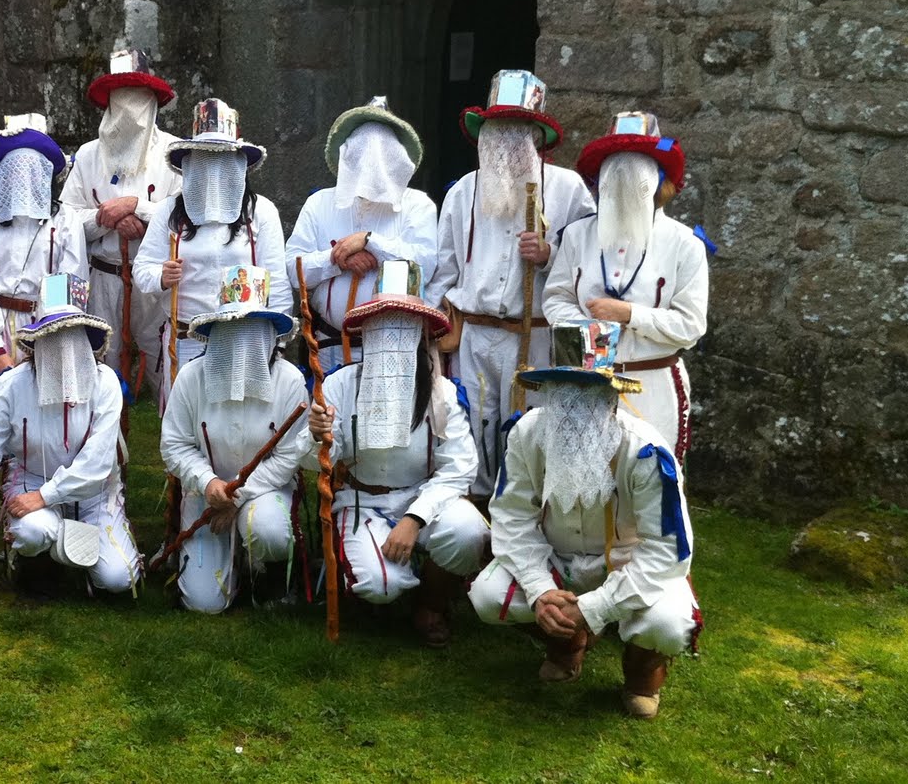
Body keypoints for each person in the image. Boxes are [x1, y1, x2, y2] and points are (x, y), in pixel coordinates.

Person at [469, 320, 700, 718]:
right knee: (488, 597)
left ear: (612, 397)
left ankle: (643, 673)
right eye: (565, 389)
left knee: (667, 623)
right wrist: (541, 589)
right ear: (548, 391)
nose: (575, 405)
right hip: (557, 560)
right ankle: (566, 642)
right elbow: (511, 516)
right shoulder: (527, 433)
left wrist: (597, 606)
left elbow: (667, 550)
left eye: (590, 390)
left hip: (629, 565)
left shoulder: (645, 451)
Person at [426, 71, 594, 496]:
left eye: (516, 130)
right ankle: (474, 523)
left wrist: (550, 255)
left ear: (535, 136)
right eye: (497, 128)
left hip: (535, 335)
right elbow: (443, 271)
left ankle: (525, 525)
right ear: (482, 135)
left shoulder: (568, 190)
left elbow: (591, 266)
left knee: (528, 432)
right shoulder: (463, 192)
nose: (504, 140)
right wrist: (427, 331)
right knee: (473, 429)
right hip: (475, 336)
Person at [307, 261, 491, 647]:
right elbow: (314, 462)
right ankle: (385, 585)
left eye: (404, 327)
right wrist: (318, 437)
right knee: (378, 584)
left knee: (470, 534)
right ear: (366, 332)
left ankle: (432, 602)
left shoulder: (440, 393)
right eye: (382, 325)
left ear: (422, 335)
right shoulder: (340, 384)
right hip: (361, 500)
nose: (392, 337)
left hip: (421, 497)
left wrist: (415, 518)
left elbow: (460, 467)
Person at [0, 275, 140, 598]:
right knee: (32, 531)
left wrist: (46, 497)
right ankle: (38, 560)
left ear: (87, 338)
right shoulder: (13, 385)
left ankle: (78, 552)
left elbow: (98, 462)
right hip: (31, 479)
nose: (63, 349)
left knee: (117, 579)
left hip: (94, 493)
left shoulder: (105, 384)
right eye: (52, 337)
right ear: (37, 342)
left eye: (72, 336)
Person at [544, 113, 709, 457]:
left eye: (635, 174)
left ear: (656, 181)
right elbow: (557, 296)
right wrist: (587, 327)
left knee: (649, 486)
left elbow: (691, 326)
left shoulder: (684, 245)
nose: (622, 183)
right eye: (614, 172)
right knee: (582, 488)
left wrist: (629, 314)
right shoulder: (578, 235)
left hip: (652, 389)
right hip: (586, 383)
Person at [160, 265, 310, 613]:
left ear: (270, 334)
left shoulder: (289, 381)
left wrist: (236, 497)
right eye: (232, 328)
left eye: (252, 328)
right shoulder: (191, 377)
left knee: (267, 529)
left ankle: (266, 575)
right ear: (217, 331)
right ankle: (229, 565)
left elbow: (289, 456)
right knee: (203, 603)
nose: (242, 340)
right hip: (205, 494)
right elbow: (174, 444)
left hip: (265, 491)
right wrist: (208, 482)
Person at [133, 99, 293, 407]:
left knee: (241, 421)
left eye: (222, 160)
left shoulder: (261, 212)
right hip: (186, 339)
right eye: (205, 159)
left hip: (246, 338)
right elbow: (143, 269)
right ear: (191, 163)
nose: (214, 169)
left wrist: (278, 344)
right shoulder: (170, 211)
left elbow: (279, 284)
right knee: (188, 422)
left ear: (239, 164)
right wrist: (162, 276)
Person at [59, 49, 181, 399]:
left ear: (152, 102)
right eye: (120, 99)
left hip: (155, 281)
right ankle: (104, 445)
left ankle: (171, 441)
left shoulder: (175, 155)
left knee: (164, 361)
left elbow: (186, 216)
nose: (128, 110)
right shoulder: (86, 156)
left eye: (137, 99)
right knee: (101, 364)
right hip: (103, 277)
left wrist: (137, 208)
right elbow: (66, 221)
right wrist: (104, 218)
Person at [288, 97, 437, 373]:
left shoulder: (418, 206)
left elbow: (425, 266)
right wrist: (337, 259)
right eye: (362, 153)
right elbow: (293, 269)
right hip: (328, 346)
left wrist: (371, 242)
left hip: (394, 350)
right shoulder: (319, 203)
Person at [0, 113, 86, 380]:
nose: (22, 177)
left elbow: (67, 279)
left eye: (31, 168)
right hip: (0, 325)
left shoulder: (64, 221)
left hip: (48, 326)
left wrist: (43, 337)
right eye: (14, 168)